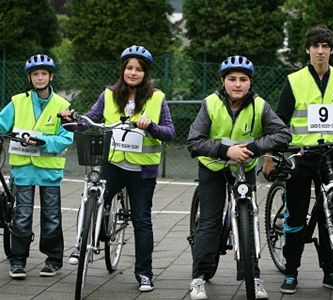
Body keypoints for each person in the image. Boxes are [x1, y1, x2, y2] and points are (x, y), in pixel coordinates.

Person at [262, 25, 333, 294]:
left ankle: (331, 271)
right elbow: (278, 122)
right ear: (308, 50)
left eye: (325, 46)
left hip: (331, 156)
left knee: (331, 216)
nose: (320, 51)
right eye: (316, 46)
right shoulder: (294, 80)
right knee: (296, 216)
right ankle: (291, 271)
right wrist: (271, 154)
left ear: (332, 50)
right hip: (301, 156)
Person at [61, 45, 176, 292]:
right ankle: (81, 244)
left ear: (146, 73)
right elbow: (89, 119)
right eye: (129, 68)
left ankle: (144, 274)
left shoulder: (157, 98)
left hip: (141, 172)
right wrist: (71, 120)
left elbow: (170, 132)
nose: (133, 73)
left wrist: (151, 127)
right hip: (111, 164)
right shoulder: (109, 95)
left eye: (139, 69)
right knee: (90, 199)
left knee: (142, 220)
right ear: (123, 70)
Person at [187, 55, 292, 300]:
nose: (237, 84)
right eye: (232, 79)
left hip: (244, 169)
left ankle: (253, 278)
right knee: (210, 222)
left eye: (243, 79)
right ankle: (198, 278)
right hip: (213, 167)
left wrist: (253, 148)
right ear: (223, 81)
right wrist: (226, 151)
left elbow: (283, 134)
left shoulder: (259, 105)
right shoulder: (210, 103)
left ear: (250, 82)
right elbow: (194, 141)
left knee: (250, 221)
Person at [0, 54, 73, 278]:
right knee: (21, 217)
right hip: (23, 170)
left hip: (49, 171)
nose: (39, 78)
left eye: (43, 74)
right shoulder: (17, 102)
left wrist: (43, 142)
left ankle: (53, 260)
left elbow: (66, 137)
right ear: (29, 78)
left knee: (52, 216)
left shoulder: (63, 105)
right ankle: (18, 260)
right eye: (35, 74)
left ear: (51, 76)